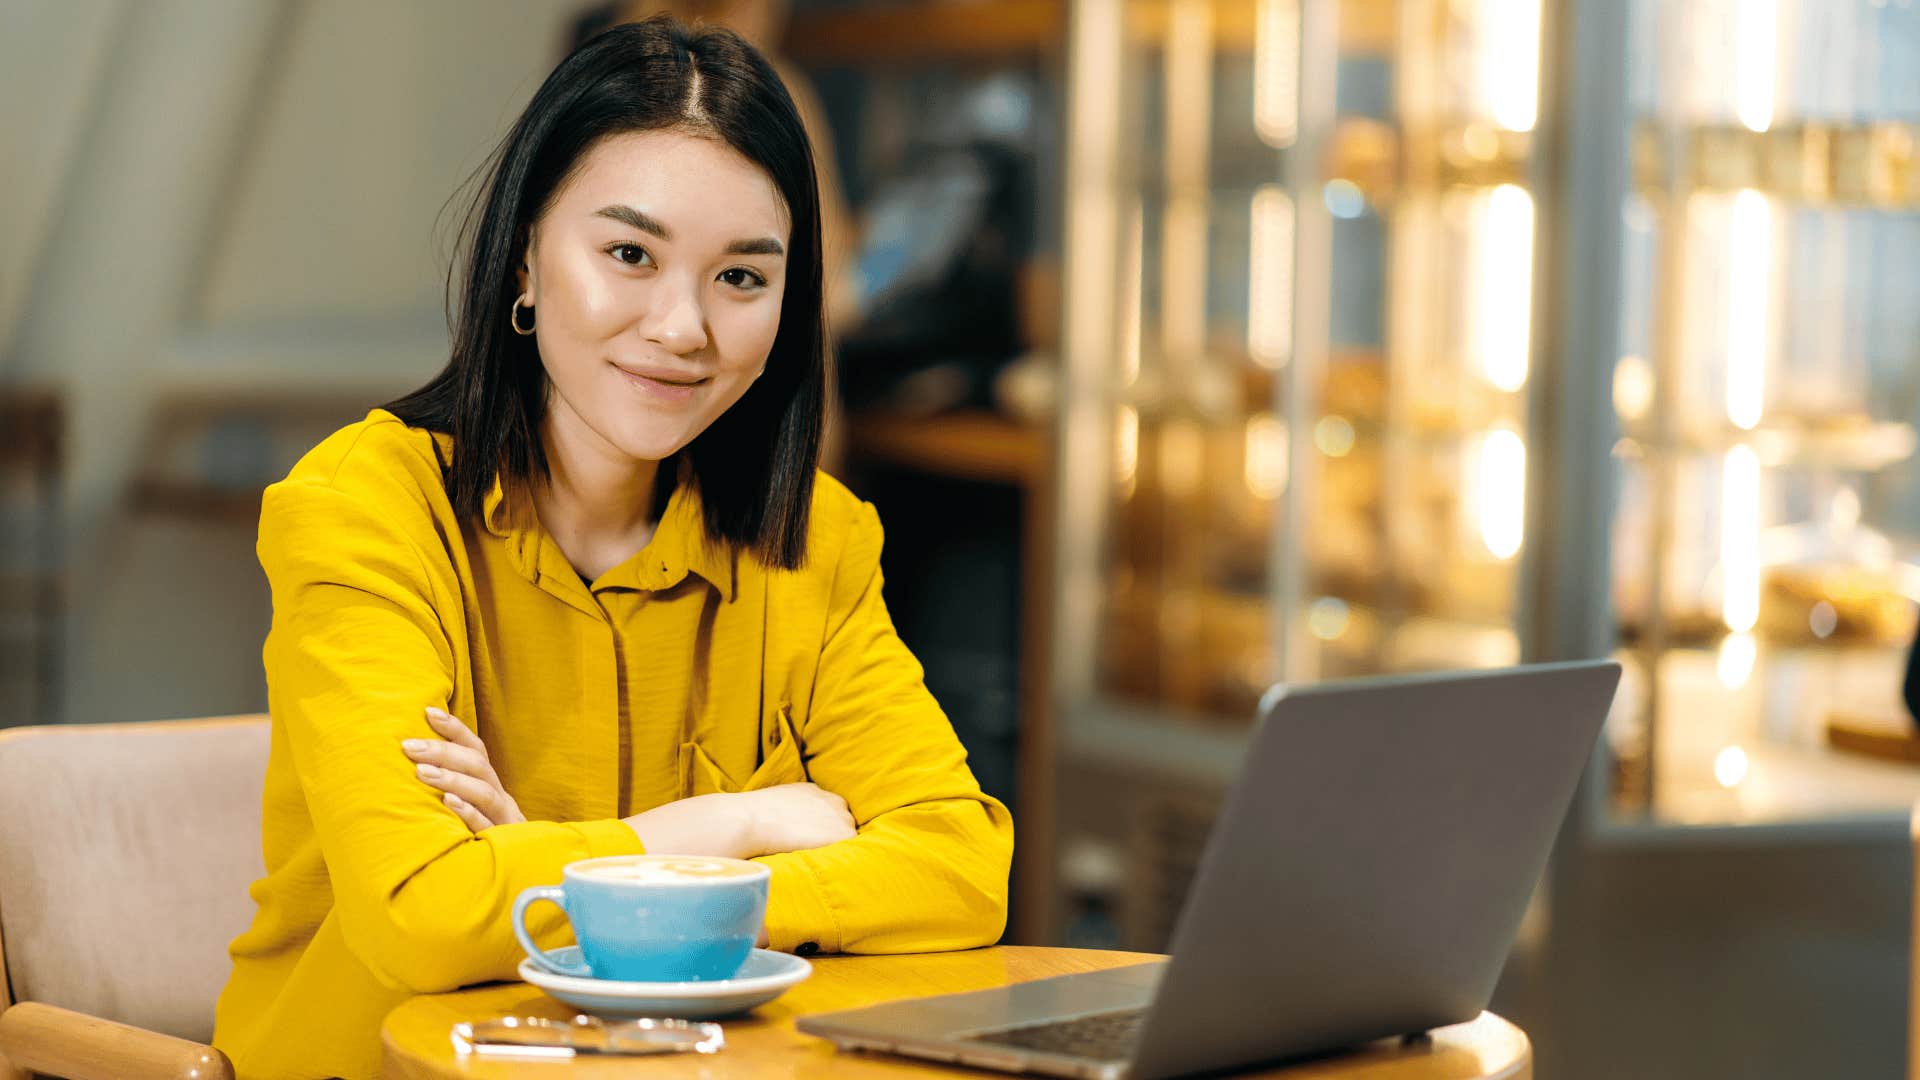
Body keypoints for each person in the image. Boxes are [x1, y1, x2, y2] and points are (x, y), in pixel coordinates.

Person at [210, 17, 1013, 1078]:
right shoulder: (365, 510)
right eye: (629, 254)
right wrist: (730, 827)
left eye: (742, 278)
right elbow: (423, 911)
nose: (683, 326)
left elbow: (961, 871)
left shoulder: (815, 543)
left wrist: (562, 867)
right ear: (529, 258)